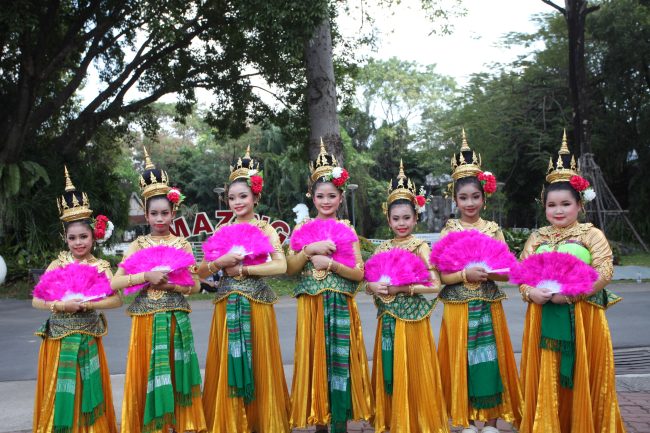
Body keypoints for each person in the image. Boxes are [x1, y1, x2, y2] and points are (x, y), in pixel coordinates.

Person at [518, 131, 626, 433]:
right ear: (544, 207)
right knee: (547, 371)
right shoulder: (537, 237)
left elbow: (604, 270)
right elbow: (523, 274)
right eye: (551, 205)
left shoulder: (591, 234)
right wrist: (530, 292)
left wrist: (573, 294)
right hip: (542, 314)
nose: (558, 211)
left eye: (565, 204)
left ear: (580, 204)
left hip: (582, 315)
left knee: (581, 369)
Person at [111, 148, 206, 433]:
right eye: (154, 213)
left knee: (176, 371)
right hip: (146, 321)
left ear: (173, 212)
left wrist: (171, 285)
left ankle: (178, 423)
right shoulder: (137, 245)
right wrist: (145, 276)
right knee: (148, 371)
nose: (160, 218)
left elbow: (196, 285)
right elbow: (115, 283)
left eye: (165, 213)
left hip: (176, 319)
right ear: (146, 214)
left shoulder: (182, 244)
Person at [198, 146, 290, 433]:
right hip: (227, 305)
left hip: (257, 303)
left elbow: (281, 266)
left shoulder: (266, 229)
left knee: (260, 361)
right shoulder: (221, 232)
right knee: (229, 360)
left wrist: (245, 270)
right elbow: (200, 272)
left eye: (243, 196)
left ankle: (262, 420)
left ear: (255, 197)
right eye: (232, 197)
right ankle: (231, 422)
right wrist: (220, 262)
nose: (237, 202)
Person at [437, 131, 522, 433]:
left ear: (484, 197)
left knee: (490, 360)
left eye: (475, 196)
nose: (470, 203)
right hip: (458, 307)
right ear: (455, 200)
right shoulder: (449, 231)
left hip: (488, 304)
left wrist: (488, 272)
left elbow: (509, 271)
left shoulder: (493, 230)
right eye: (463, 198)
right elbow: (442, 276)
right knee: (462, 361)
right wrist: (465, 274)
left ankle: (492, 421)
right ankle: (468, 420)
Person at [287, 141, 373, 433]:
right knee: (315, 362)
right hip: (311, 305)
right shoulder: (302, 229)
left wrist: (331, 264)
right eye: (320, 195)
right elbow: (290, 268)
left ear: (341, 197)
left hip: (340, 305)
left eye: (332, 196)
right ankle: (319, 424)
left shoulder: (347, 229)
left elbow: (359, 273)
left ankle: (340, 424)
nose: (326, 201)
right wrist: (309, 250)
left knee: (340, 362)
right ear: (311, 197)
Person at [33, 167, 122, 433]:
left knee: (87, 388)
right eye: (72, 238)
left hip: (87, 337)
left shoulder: (101, 267)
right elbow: (37, 300)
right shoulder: (57, 264)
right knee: (60, 389)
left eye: (83, 236)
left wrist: (87, 304)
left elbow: (116, 300)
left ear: (94, 236)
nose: (78, 243)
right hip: (58, 340)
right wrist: (61, 305)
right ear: (65, 238)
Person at [365, 161, 449, 433]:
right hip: (388, 318)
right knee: (391, 366)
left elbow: (435, 284)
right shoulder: (382, 249)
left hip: (413, 320)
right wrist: (372, 287)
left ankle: (418, 420)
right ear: (388, 220)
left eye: (406, 218)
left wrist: (402, 289)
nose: (401, 223)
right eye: (396, 218)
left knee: (414, 366)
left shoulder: (420, 247)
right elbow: (369, 282)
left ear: (415, 218)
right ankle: (393, 419)